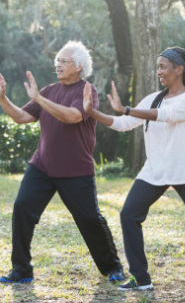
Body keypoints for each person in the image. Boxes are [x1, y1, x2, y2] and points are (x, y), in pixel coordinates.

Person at [83, 46, 185, 291]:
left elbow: (165, 115)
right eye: (157, 66)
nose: (158, 71)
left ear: (179, 69)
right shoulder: (153, 98)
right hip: (155, 171)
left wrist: (125, 108)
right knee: (129, 215)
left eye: (163, 67)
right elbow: (124, 123)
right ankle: (141, 278)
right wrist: (93, 112)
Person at [0, 41, 124, 284]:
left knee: (90, 220)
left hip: (76, 169)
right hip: (42, 166)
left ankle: (112, 268)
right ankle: (22, 270)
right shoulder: (48, 90)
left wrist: (38, 98)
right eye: (56, 60)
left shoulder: (87, 91)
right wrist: (3, 99)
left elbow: (72, 116)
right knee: (23, 209)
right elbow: (23, 116)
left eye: (63, 61)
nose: (57, 64)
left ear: (78, 67)